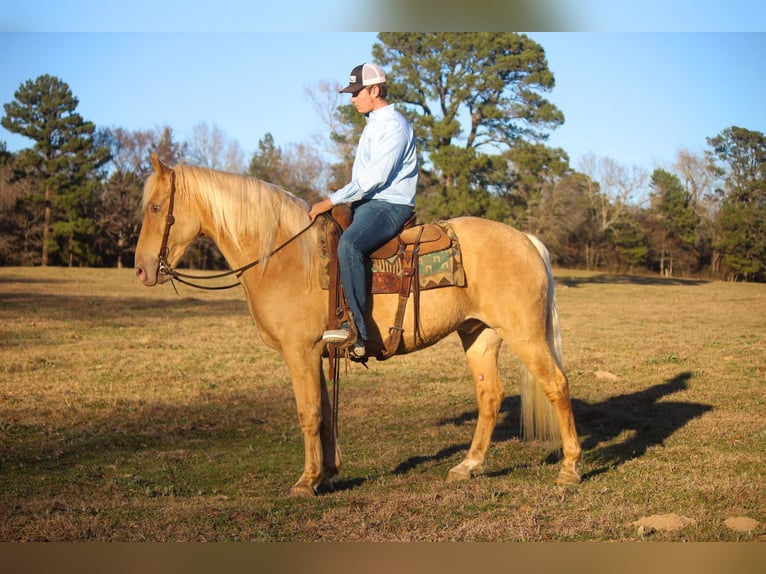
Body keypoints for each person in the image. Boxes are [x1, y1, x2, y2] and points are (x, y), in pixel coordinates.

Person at [309, 63, 418, 358]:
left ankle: (356, 332)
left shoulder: (394, 125)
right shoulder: (373, 125)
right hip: (369, 203)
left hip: (389, 205)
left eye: (357, 92)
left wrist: (331, 200)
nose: (352, 98)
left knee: (350, 244)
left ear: (375, 90)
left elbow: (375, 179)